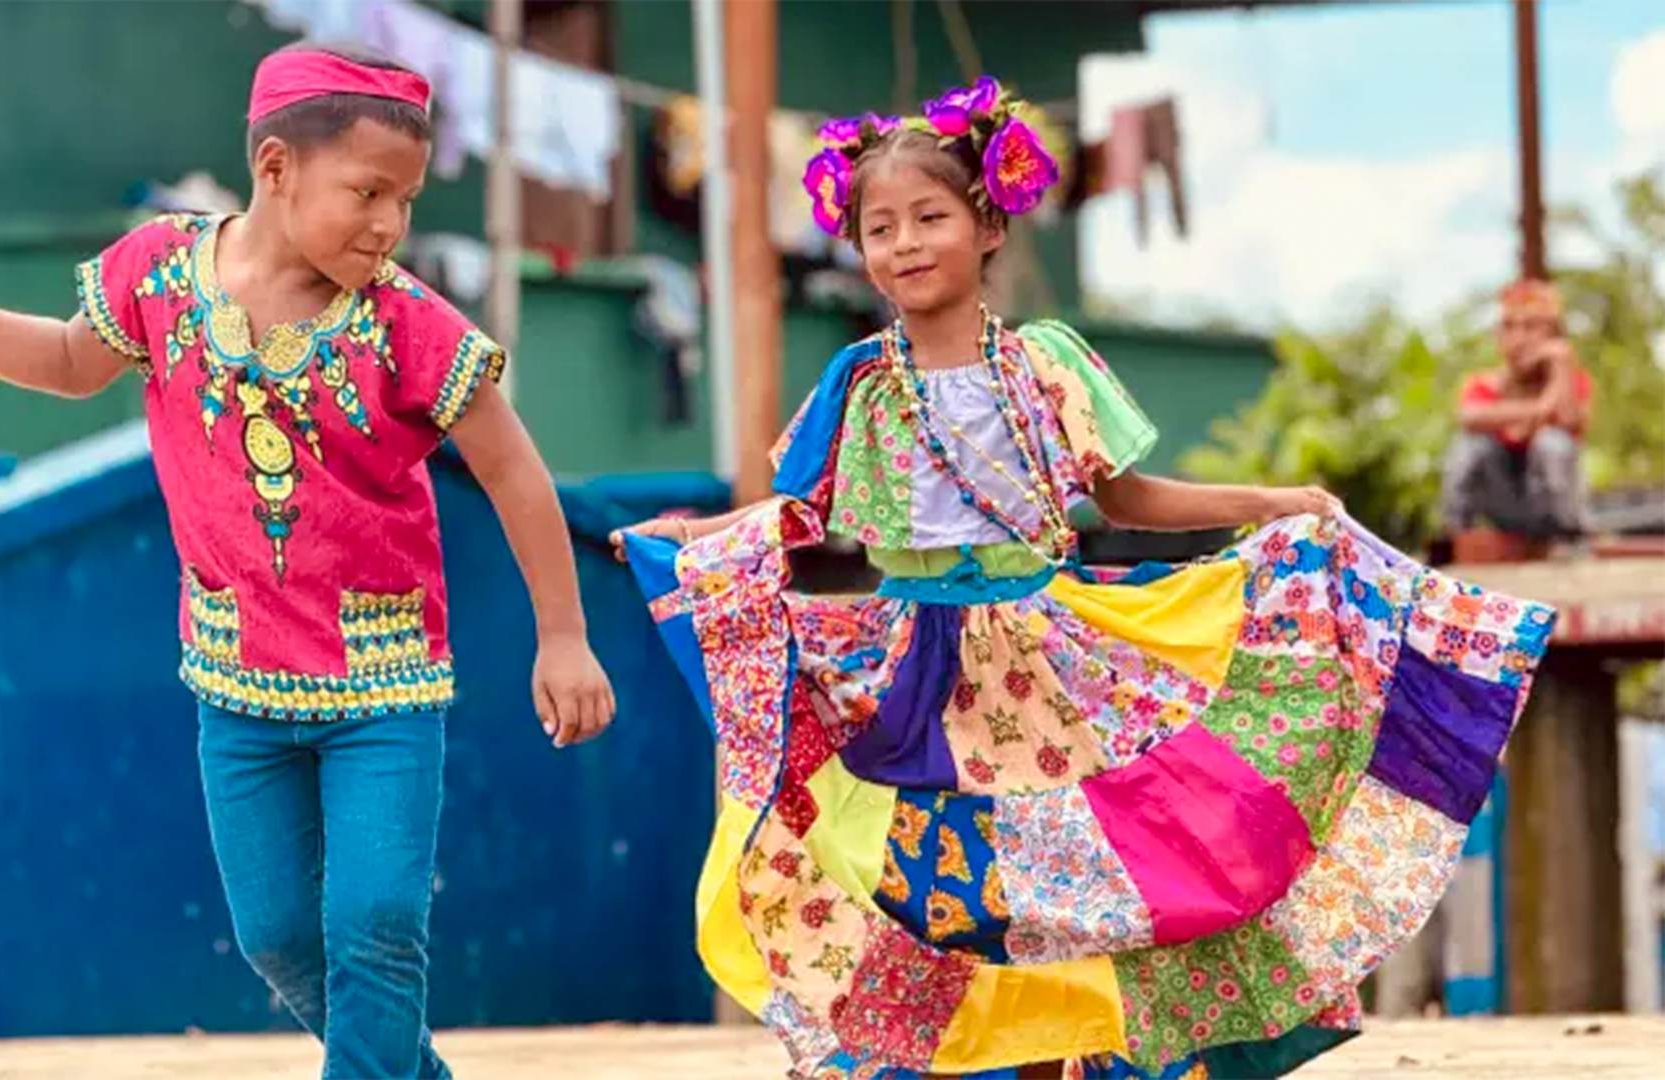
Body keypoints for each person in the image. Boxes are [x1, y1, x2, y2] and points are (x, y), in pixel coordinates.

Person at [612, 77, 1553, 1080]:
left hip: (1051, 657)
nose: (905, 242)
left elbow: (1127, 498)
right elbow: (796, 516)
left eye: (930, 216)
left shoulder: (1046, 365)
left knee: (1097, 876)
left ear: (987, 224)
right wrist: (692, 535)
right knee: (941, 880)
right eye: (880, 227)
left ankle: (1081, 1059)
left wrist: (1270, 503)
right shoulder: (858, 382)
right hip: (916, 670)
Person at [0, 43, 615, 1080]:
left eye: (406, 199)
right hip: (234, 681)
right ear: (273, 168)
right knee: (276, 938)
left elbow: (515, 471)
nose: (392, 225)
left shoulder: (408, 326)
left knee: (378, 920)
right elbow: (74, 362)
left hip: (384, 684)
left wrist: (563, 635)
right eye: (368, 192)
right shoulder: (159, 273)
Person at [1441, 278, 1592, 543]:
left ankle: (1568, 538)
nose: (1519, 337)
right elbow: (1469, 418)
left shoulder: (1572, 381)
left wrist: (1561, 365)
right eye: (1509, 327)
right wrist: (1542, 408)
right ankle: (1455, 536)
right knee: (1470, 446)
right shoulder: (1483, 384)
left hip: (1550, 509)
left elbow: (1569, 421)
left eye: (1532, 326)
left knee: (1553, 443)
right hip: (1505, 505)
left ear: (1553, 335)